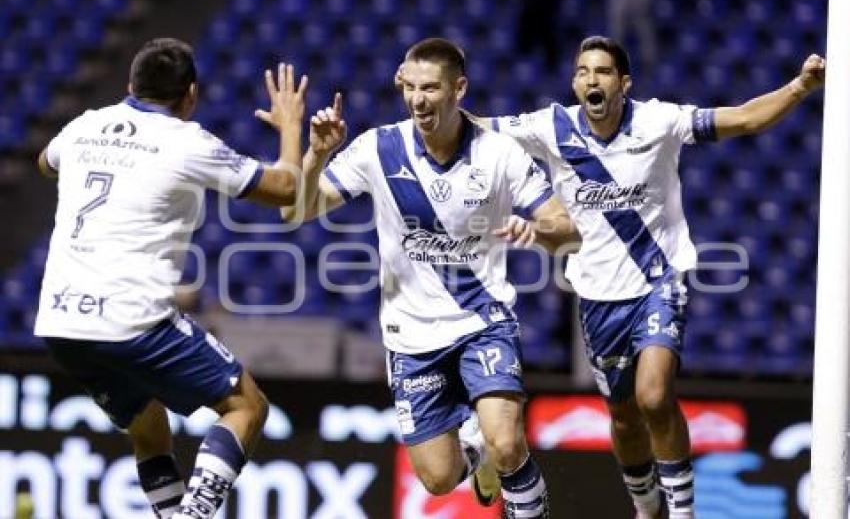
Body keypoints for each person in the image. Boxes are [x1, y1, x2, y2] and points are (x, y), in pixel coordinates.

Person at [468, 36, 825, 518]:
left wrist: (800, 87)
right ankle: (647, 505)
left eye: (602, 72)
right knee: (623, 415)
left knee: (654, 396)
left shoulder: (658, 121)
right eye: (581, 72)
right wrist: (432, 107)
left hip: (659, 282)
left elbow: (742, 117)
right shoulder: (551, 126)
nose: (590, 79)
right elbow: (478, 128)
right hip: (596, 295)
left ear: (624, 83)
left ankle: (682, 511)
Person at [283, 38, 580, 517]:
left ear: (458, 89)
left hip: (483, 319)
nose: (418, 100)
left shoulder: (500, 154)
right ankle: (475, 451)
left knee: (507, 442)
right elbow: (297, 209)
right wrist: (316, 155)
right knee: (438, 478)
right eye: (411, 87)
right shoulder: (378, 148)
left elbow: (569, 230)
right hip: (411, 335)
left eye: (431, 88)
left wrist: (537, 228)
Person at [34, 37, 310, 519]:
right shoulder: (187, 141)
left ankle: (172, 512)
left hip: (61, 322)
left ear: (129, 84)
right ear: (191, 97)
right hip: (131, 319)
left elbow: (44, 162)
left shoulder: (86, 124)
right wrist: (290, 127)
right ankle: (195, 515)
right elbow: (285, 188)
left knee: (148, 430)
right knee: (247, 407)